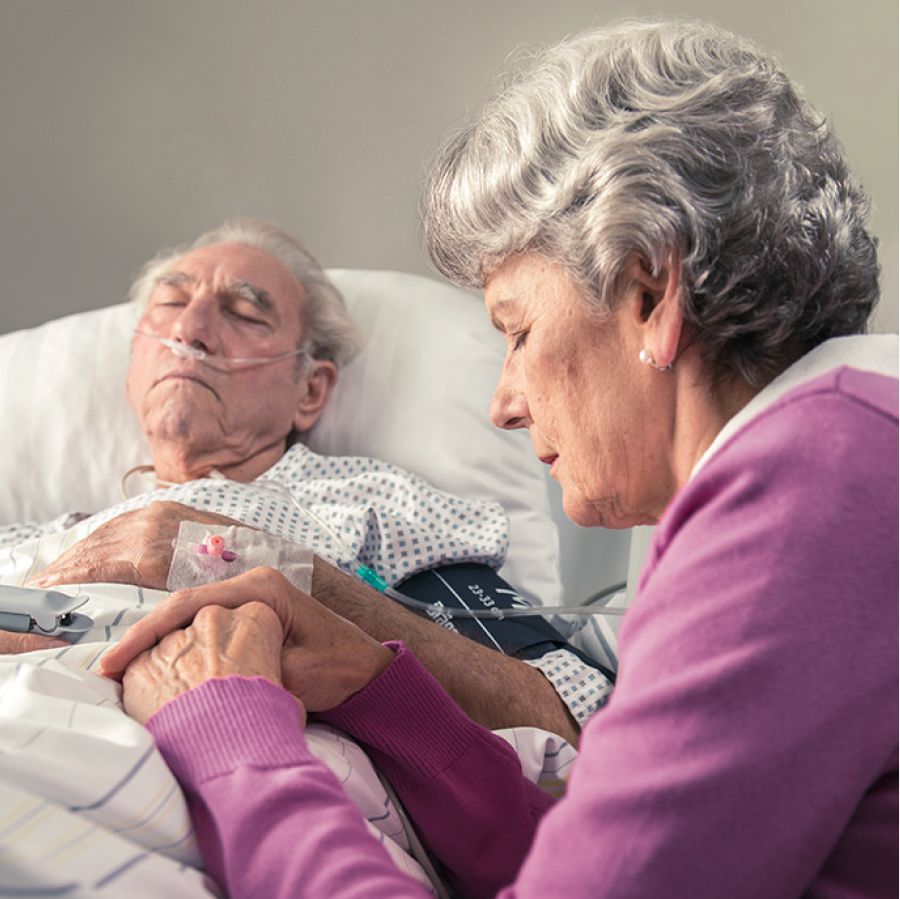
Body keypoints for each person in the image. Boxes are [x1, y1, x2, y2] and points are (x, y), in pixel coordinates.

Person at [100, 19, 897, 899]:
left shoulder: (808, 492)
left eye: (517, 331)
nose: (503, 402)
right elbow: (610, 853)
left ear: (649, 288)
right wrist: (381, 692)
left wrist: (230, 739)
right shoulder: (834, 450)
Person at [0, 218, 610, 743]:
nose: (190, 330)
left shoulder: (370, 506)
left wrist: (214, 557)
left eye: (244, 312)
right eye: (169, 304)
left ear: (309, 390)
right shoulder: (44, 537)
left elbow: (572, 713)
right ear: (133, 370)